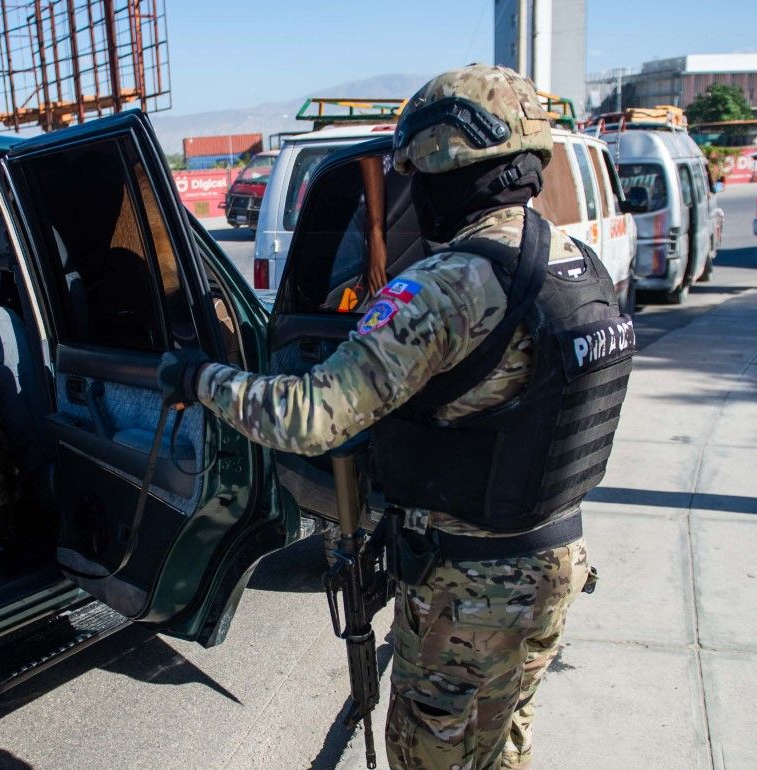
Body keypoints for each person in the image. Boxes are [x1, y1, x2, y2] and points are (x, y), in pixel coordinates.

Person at [158, 65, 634, 769]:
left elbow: (311, 416)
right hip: (553, 565)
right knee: (503, 742)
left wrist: (200, 379)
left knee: (429, 754)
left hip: (469, 589)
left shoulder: (448, 286)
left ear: (444, 168)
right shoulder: (576, 262)